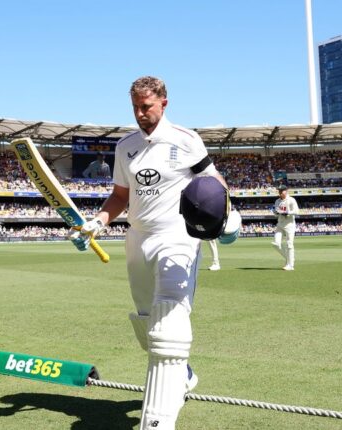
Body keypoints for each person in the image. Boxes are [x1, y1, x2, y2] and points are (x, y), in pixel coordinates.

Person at [68, 76, 228, 430]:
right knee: (146, 320)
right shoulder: (125, 146)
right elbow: (120, 196)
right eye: (136, 108)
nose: (141, 114)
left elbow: (215, 184)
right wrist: (98, 222)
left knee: (168, 318)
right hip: (138, 237)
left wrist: (228, 219)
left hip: (178, 235)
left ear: (164, 103)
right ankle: (182, 374)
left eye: (147, 107)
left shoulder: (187, 140)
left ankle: (159, 421)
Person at [272, 184, 299, 270]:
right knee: (276, 244)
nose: (279, 192)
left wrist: (287, 212)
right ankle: (289, 259)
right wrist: (275, 212)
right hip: (280, 224)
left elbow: (297, 211)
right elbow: (276, 214)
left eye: (281, 191)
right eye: (279, 191)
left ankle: (290, 265)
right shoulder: (277, 201)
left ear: (286, 191)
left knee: (289, 244)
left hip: (289, 225)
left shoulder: (291, 200)